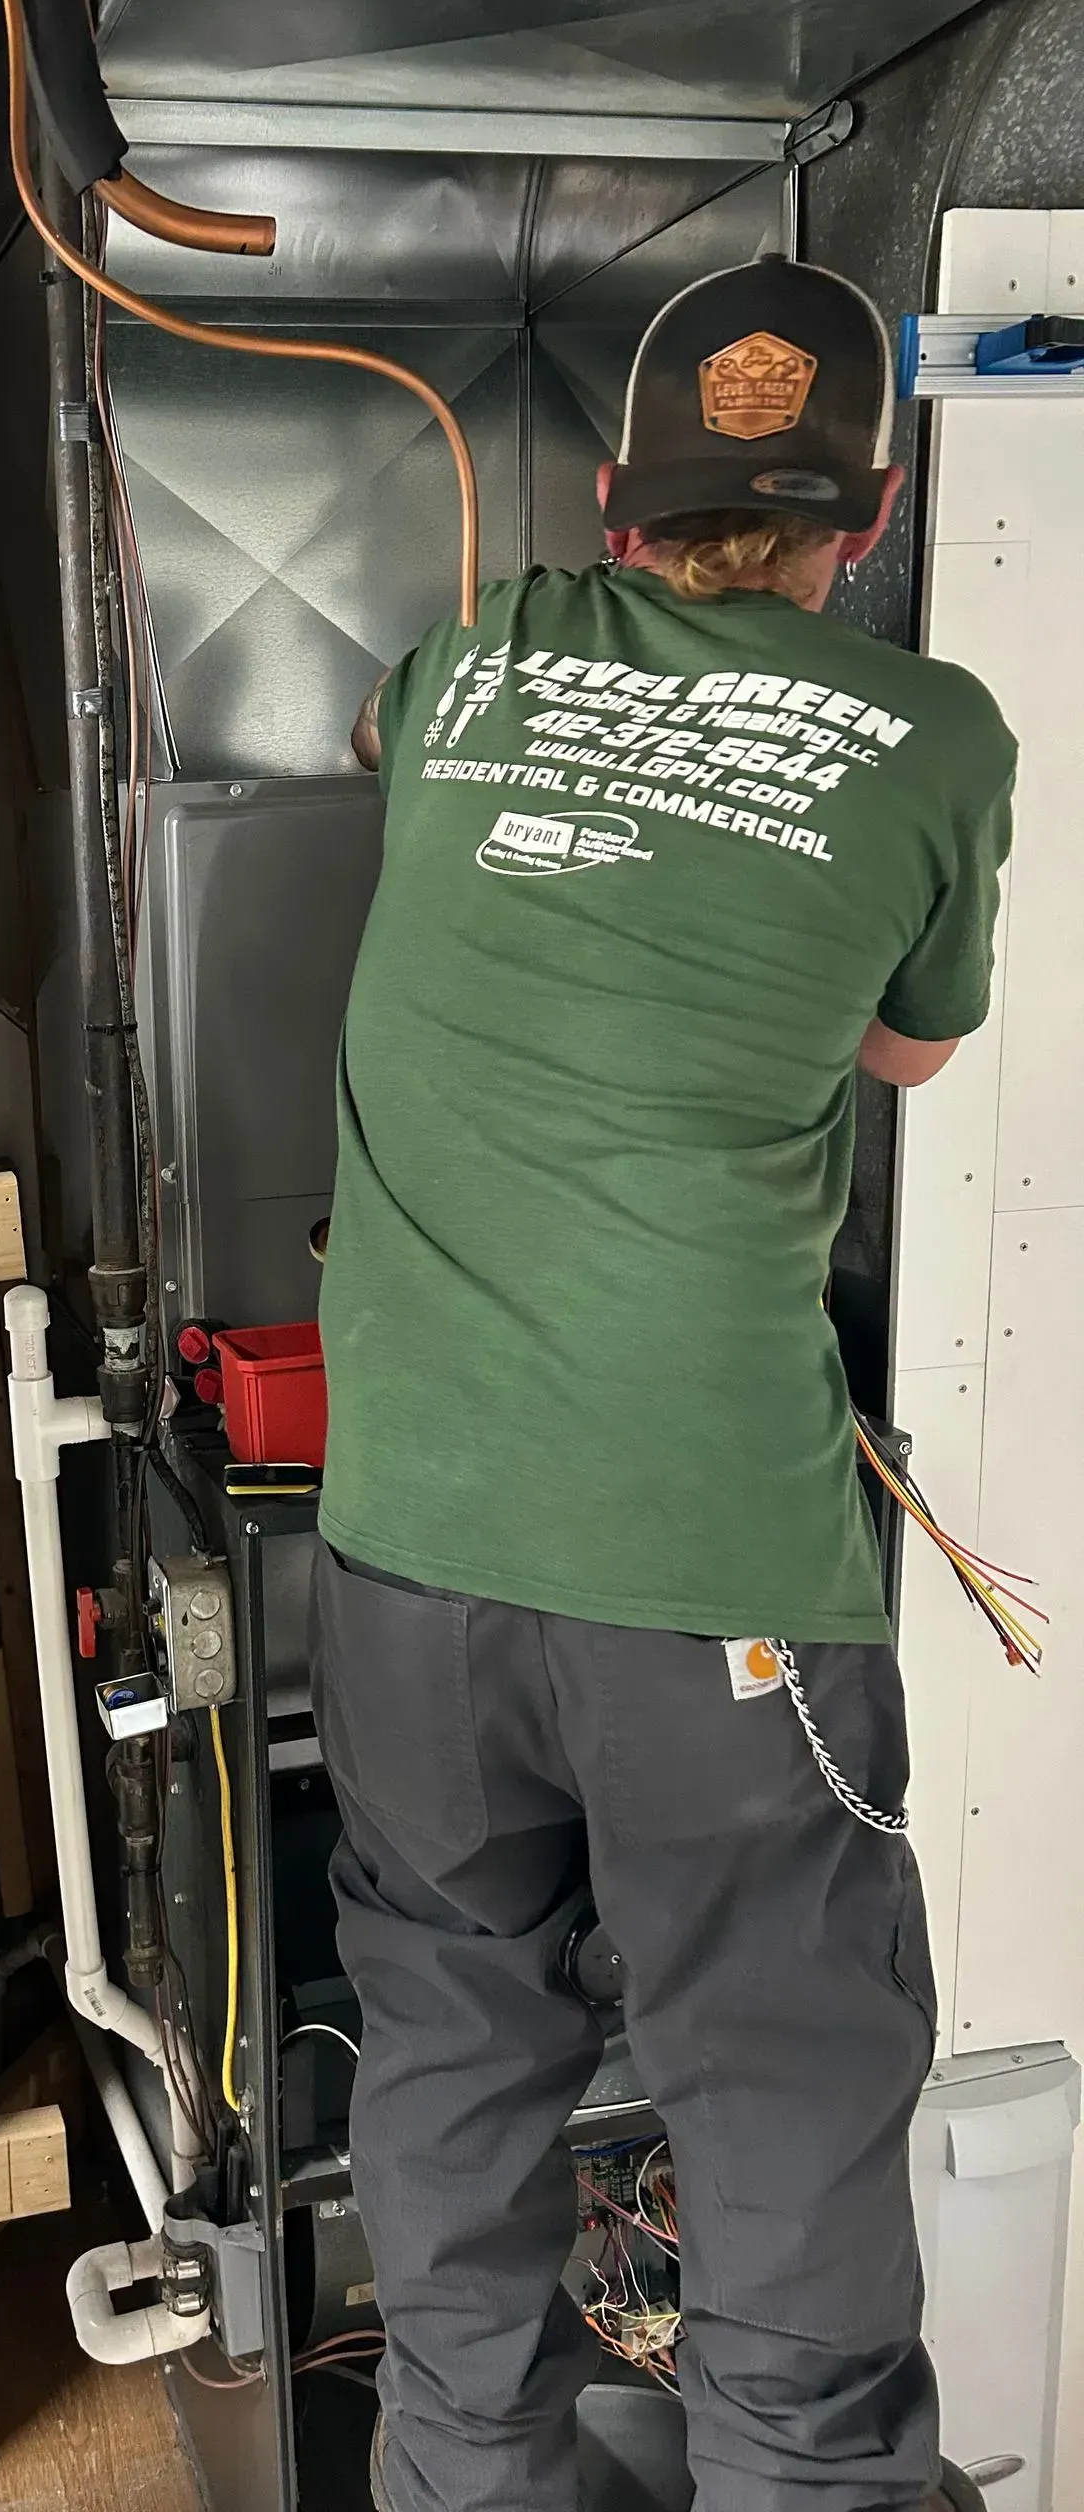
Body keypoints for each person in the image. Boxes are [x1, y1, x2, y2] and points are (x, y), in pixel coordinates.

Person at [314, 258, 1011, 2512]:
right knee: (781, 2070)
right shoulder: (930, 735)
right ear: (871, 507)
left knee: (448, 2032)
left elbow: (391, 767)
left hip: (408, 1546)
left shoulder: (465, 664)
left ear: (620, 504)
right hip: (711, 1563)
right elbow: (907, 1041)